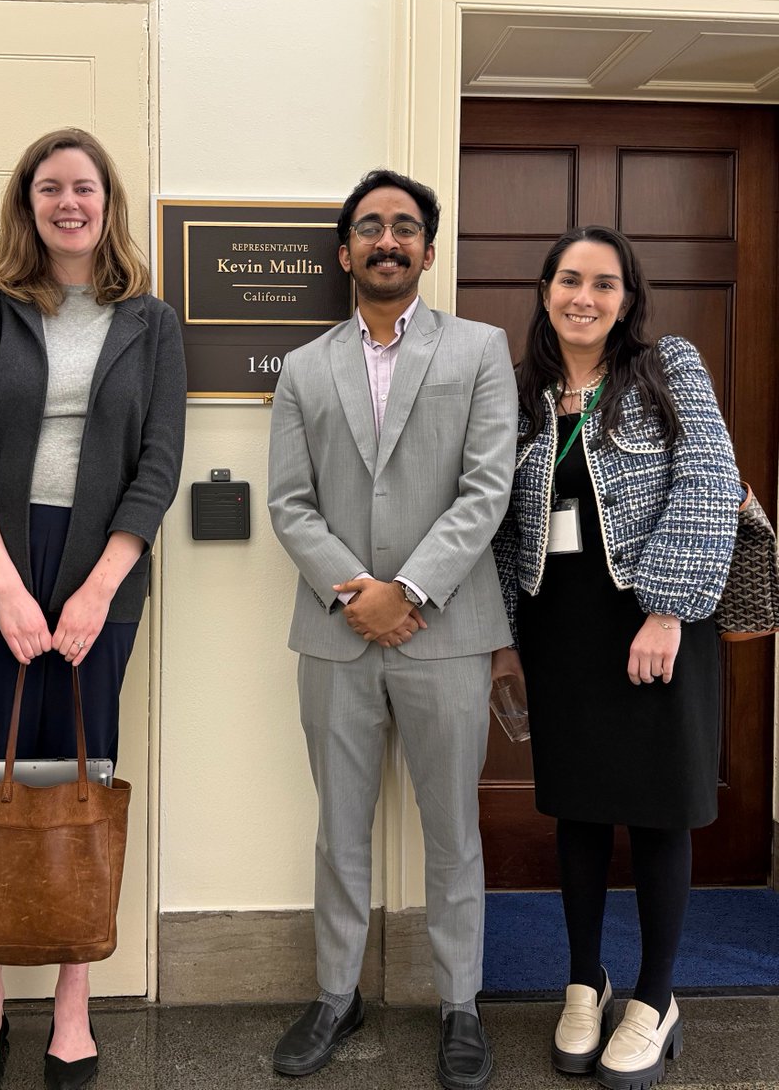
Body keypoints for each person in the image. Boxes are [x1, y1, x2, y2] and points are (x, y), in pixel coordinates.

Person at [0, 127, 186, 1090]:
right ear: (26, 205)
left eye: (84, 188)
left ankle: (74, 1003)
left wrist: (99, 586)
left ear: (107, 202)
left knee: (84, 770)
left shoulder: (151, 322)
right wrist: (4, 586)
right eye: (48, 189)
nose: (68, 204)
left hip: (100, 573)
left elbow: (158, 465)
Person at [267, 169, 517, 1089]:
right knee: (341, 830)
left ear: (427, 249)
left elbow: (487, 489)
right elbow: (289, 505)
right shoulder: (303, 367)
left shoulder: (481, 350)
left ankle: (460, 1004)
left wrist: (407, 588)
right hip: (336, 636)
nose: (387, 240)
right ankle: (337, 993)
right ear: (345, 251)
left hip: (447, 633)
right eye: (369, 227)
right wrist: (355, 592)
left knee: (453, 830)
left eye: (405, 227)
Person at [491, 225, 739, 1090]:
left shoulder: (667, 367)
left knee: (660, 810)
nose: (583, 297)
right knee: (581, 811)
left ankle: (656, 997)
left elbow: (709, 476)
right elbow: (499, 521)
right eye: (568, 279)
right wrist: (506, 642)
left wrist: (668, 608)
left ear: (627, 298)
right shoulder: (523, 392)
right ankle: (584, 979)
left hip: (657, 625)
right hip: (561, 631)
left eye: (603, 283)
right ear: (546, 289)